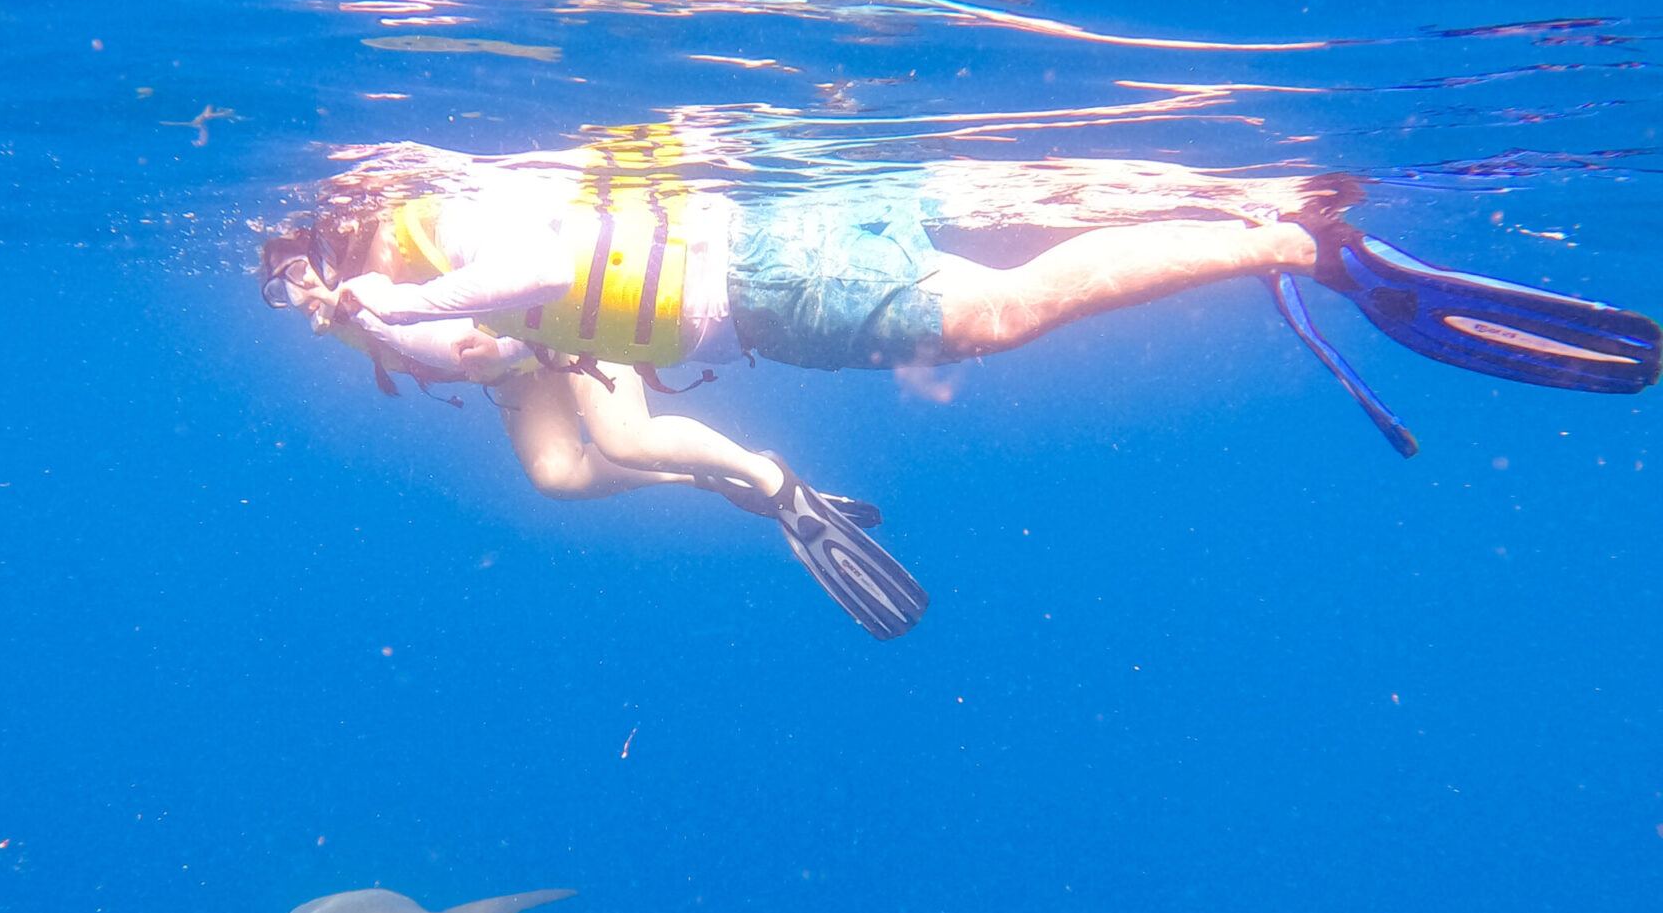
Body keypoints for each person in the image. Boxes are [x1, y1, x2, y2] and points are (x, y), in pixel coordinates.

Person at [260, 135, 1661, 638]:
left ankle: (1286, 235)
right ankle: (1276, 231)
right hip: (770, 265)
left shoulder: (467, 235)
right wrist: (386, 315)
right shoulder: (440, 267)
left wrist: (400, 300)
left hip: (775, 286)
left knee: (1004, 307)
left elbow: (517, 288)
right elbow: (525, 372)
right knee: (582, 457)